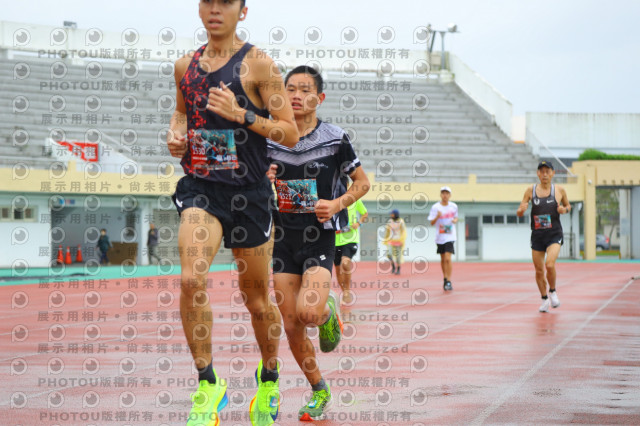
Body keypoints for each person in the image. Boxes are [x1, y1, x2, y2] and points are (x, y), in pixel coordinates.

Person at [166, 1, 299, 425]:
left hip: (249, 195)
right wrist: (176, 135)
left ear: (242, 11)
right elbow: (181, 114)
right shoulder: (184, 66)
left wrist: (241, 115)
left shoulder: (259, 65)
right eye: (209, 1)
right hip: (201, 188)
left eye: (226, 2)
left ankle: (269, 378)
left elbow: (290, 133)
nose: (215, 9)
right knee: (191, 279)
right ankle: (208, 384)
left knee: (256, 299)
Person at [267, 65, 370, 421]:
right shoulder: (269, 137)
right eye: (290, 89)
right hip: (282, 240)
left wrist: (338, 203)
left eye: (305, 90)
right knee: (292, 325)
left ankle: (327, 312)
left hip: (319, 238)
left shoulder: (334, 138)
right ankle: (319, 391)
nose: (296, 95)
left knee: (309, 313)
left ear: (319, 97)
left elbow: (362, 183)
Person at [517, 160, 571, 312]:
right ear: (538, 173)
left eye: (547, 171)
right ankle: (544, 299)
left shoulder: (559, 190)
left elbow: (568, 206)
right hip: (537, 235)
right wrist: (521, 210)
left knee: (549, 265)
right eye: (542, 171)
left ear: (553, 173)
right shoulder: (530, 190)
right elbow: (519, 212)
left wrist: (564, 210)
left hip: (554, 234)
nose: (544, 174)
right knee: (539, 270)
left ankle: (552, 291)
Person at [334, 197, 368, 307]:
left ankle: (347, 290)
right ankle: (344, 292)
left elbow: (365, 213)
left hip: (351, 238)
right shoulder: (333, 199)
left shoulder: (354, 199)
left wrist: (358, 223)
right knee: (338, 270)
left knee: (345, 263)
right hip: (336, 240)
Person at [428, 186, 458, 291]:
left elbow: (456, 217)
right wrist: (437, 216)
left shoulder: (454, 206)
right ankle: (445, 278)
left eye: (447, 193)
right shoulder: (435, 207)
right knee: (442, 259)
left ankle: (448, 280)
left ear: (450, 195)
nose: (445, 195)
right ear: (440, 195)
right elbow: (431, 222)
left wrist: (455, 220)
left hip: (450, 236)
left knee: (448, 258)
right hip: (440, 236)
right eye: (443, 193)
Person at [383, 210, 406, 275]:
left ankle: (398, 269)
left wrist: (402, 239)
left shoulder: (401, 221)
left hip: (398, 241)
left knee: (398, 257)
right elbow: (387, 231)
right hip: (391, 241)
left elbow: (403, 231)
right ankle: (393, 265)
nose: (391, 215)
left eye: (392, 214)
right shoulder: (389, 221)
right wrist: (385, 239)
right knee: (389, 254)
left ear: (396, 215)